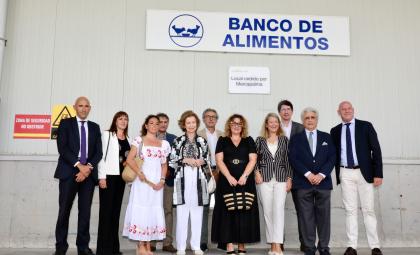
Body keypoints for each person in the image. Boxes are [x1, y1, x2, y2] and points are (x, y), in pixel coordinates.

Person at [330, 101, 383, 255]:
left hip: (364, 173)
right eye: (343, 109)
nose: (346, 111)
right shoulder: (335, 131)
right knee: (350, 210)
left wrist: (378, 173)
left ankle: (375, 246)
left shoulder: (366, 126)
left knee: (369, 210)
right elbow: (333, 154)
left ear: (353, 110)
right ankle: (352, 246)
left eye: (349, 108)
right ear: (338, 112)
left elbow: (376, 150)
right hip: (345, 173)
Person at [54, 96, 102, 255]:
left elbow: (98, 152)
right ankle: (61, 247)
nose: (83, 108)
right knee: (64, 211)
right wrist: (79, 166)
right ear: (75, 107)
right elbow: (63, 148)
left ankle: (83, 247)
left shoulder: (95, 127)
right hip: (68, 172)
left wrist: (87, 168)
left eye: (86, 106)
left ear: (90, 108)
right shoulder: (65, 123)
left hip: (88, 175)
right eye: (80, 105)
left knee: (85, 212)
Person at [288, 107, 335, 255]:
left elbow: (332, 158)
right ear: (303, 120)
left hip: (323, 183)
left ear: (317, 119)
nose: (310, 120)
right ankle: (309, 247)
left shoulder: (327, 137)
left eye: (312, 117)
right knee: (305, 217)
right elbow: (293, 159)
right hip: (303, 183)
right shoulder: (296, 138)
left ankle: (324, 247)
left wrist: (321, 175)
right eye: (307, 118)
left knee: (324, 217)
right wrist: (308, 174)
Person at [211, 114, 260, 255]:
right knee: (227, 213)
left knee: (244, 212)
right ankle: (230, 245)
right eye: (234, 123)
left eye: (239, 123)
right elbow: (219, 160)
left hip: (245, 182)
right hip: (227, 182)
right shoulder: (222, 140)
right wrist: (228, 177)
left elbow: (253, 159)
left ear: (243, 126)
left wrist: (244, 176)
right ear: (229, 125)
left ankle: (242, 245)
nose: (236, 126)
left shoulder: (249, 140)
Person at [122, 115, 170, 255]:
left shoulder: (164, 144)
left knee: (151, 211)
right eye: (151, 123)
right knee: (141, 211)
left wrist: (161, 181)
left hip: (156, 184)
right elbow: (130, 159)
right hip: (142, 182)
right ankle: (140, 246)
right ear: (146, 126)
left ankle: (148, 246)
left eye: (157, 123)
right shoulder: (139, 140)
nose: (155, 125)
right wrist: (139, 173)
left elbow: (164, 165)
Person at [169, 110, 210, 255]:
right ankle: (180, 247)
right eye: (188, 123)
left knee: (197, 213)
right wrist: (185, 160)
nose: (191, 125)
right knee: (182, 213)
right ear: (183, 125)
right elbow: (172, 161)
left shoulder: (202, 141)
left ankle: (195, 246)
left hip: (199, 177)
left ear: (197, 124)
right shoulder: (178, 141)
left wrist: (202, 161)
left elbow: (208, 161)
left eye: (193, 122)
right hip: (183, 177)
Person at [255, 113, 292, 255]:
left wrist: (290, 178)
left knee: (278, 211)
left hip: (281, 179)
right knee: (268, 212)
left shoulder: (284, 140)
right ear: (266, 124)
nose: (274, 124)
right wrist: (256, 172)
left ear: (279, 124)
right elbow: (254, 159)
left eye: (276, 122)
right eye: (271, 122)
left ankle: (277, 244)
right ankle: (272, 246)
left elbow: (288, 160)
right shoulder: (259, 140)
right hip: (264, 180)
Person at [96, 111, 130, 255]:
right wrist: (101, 177)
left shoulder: (128, 138)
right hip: (108, 177)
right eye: (120, 119)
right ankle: (103, 250)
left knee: (115, 213)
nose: (123, 121)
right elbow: (100, 156)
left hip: (121, 179)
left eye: (125, 119)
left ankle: (114, 248)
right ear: (115, 121)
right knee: (106, 213)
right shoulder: (107, 135)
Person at [277, 99, 304, 252]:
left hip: (299, 174)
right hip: (279, 173)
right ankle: (279, 242)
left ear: (292, 112)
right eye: (283, 109)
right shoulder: (274, 127)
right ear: (279, 112)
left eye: (288, 109)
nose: (286, 111)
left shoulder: (300, 128)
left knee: (302, 210)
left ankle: (305, 242)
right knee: (278, 209)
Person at [197, 108, 224, 252]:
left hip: (221, 173)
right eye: (208, 117)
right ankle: (202, 242)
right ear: (203, 119)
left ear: (217, 119)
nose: (211, 119)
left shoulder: (223, 135)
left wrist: (219, 170)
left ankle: (222, 241)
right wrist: (208, 170)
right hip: (204, 173)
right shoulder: (198, 135)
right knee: (204, 208)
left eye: (213, 117)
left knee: (222, 207)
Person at [150, 113, 177, 253]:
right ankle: (152, 243)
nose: (163, 124)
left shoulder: (174, 139)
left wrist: (169, 171)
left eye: (166, 122)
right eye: (160, 121)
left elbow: (177, 158)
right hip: (152, 181)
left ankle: (167, 242)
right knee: (153, 209)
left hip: (169, 180)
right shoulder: (148, 138)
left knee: (168, 211)